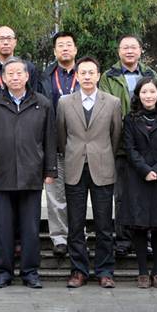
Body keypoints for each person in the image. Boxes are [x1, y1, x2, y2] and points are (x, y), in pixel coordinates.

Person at [0, 57, 57, 289]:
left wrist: (50, 169)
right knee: (3, 228)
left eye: (18, 73)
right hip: (2, 175)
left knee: (31, 228)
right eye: (10, 74)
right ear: (3, 78)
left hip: (32, 174)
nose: (14, 77)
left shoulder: (42, 103)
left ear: (27, 76)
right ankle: (2, 272)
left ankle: (30, 272)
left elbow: (49, 139)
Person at [56, 56, 121, 288]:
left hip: (102, 167)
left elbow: (116, 135)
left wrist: (102, 154)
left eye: (91, 72)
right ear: (76, 76)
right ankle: (79, 270)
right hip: (74, 167)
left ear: (98, 75)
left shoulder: (112, 102)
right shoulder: (65, 102)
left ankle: (105, 271)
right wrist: (74, 153)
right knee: (75, 224)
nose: (86, 76)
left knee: (104, 224)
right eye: (82, 72)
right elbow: (61, 136)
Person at [0, 26, 41, 256]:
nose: (5, 42)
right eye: (1, 38)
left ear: (15, 42)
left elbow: (35, 98)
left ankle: (21, 241)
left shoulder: (29, 68)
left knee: (25, 201)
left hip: (25, 140)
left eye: (9, 38)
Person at [98, 34, 157, 256]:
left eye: (133, 47)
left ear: (141, 50)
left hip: (148, 145)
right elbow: (105, 108)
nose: (130, 51)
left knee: (146, 195)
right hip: (120, 145)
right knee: (122, 195)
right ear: (119, 51)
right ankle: (123, 239)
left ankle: (146, 238)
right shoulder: (108, 77)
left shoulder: (151, 75)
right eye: (125, 47)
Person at [119, 77, 157, 289]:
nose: (148, 96)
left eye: (152, 92)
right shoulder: (130, 119)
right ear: (138, 95)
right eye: (144, 92)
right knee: (139, 225)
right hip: (138, 177)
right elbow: (129, 148)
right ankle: (143, 272)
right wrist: (145, 170)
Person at [39, 31, 80, 257]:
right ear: (54, 51)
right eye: (60, 45)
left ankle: (78, 235)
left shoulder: (86, 73)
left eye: (69, 45)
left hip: (80, 144)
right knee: (55, 194)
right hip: (53, 143)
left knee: (78, 193)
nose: (65, 48)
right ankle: (59, 238)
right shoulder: (44, 77)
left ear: (75, 49)